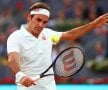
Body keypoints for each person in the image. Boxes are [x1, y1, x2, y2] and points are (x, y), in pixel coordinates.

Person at [7, 2, 108, 90]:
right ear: (29, 17)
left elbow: (71, 35)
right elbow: (12, 59)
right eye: (38, 20)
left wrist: (94, 24)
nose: (41, 25)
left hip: (50, 87)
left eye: (44, 22)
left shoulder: (48, 33)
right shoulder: (15, 37)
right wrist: (21, 76)